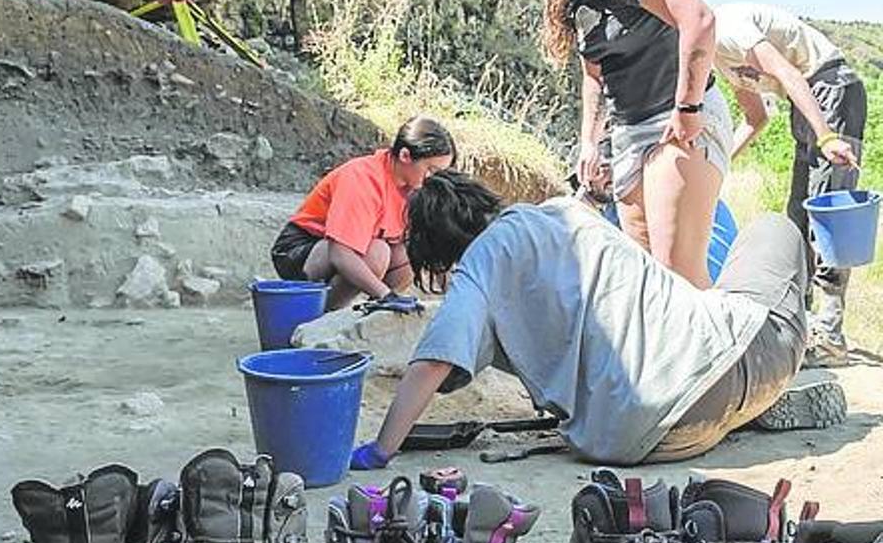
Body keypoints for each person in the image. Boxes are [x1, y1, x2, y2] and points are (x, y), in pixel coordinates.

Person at [349, 170, 835, 469]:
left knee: (707, 347)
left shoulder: (478, 272)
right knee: (772, 229)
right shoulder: (562, 213)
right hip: (727, 362)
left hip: (636, 440)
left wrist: (381, 448)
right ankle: (752, 396)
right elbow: (439, 356)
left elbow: (437, 358)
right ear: (482, 202)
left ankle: (733, 410)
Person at [503, 0, 733, 288]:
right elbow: (595, 75)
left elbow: (699, 21)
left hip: (676, 122)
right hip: (628, 133)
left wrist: (688, 109)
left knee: (676, 277)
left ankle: (725, 356)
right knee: (645, 281)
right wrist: (591, 143)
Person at [714, 3, 866, 366]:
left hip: (830, 88)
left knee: (829, 213)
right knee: (798, 217)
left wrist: (827, 136)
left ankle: (829, 333)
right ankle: (798, 323)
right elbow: (757, 117)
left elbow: (789, 73)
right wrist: (718, 164)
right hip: (808, 103)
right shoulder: (717, 59)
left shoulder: (725, 28)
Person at [270, 116, 456, 310]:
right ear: (405, 156)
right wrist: (386, 294)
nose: (434, 179)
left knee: (410, 254)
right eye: (431, 170)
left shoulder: (415, 188)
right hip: (302, 250)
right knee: (376, 253)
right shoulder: (362, 178)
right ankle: (318, 315)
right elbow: (340, 253)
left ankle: (376, 312)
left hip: (350, 249)